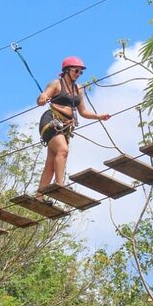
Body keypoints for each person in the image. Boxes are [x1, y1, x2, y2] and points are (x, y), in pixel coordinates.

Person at [35, 56, 111, 200]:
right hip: (51, 121)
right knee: (63, 150)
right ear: (66, 70)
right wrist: (42, 98)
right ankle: (59, 184)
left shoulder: (79, 89)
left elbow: (83, 112)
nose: (78, 74)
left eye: (80, 72)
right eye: (76, 71)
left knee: (51, 163)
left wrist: (99, 116)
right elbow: (42, 98)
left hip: (65, 127)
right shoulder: (56, 84)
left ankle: (39, 196)